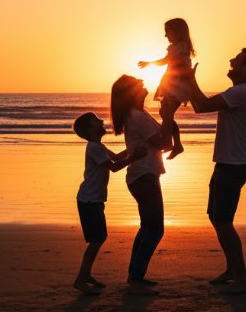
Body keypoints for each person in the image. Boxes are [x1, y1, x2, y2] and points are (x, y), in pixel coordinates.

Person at [187, 48, 246, 294]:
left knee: (223, 220)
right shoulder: (238, 92)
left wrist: (189, 79)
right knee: (216, 217)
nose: (231, 62)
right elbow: (201, 106)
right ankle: (232, 270)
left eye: (238, 61)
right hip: (226, 163)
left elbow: (201, 105)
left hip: (234, 166)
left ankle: (242, 279)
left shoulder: (240, 92)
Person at [110, 75, 173, 295]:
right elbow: (164, 143)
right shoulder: (137, 116)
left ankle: (135, 275)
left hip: (142, 176)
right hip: (144, 176)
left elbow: (160, 143)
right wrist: (168, 117)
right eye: (138, 83)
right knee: (155, 229)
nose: (143, 83)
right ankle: (136, 277)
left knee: (148, 227)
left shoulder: (137, 115)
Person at [72, 112, 146, 295]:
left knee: (98, 238)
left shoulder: (98, 146)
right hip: (89, 200)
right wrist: (135, 156)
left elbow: (118, 158)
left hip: (92, 199)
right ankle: (81, 278)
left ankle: (85, 274)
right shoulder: (94, 148)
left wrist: (133, 148)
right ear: (90, 130)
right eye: (96, 121)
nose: (102, 121)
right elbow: (114, 167)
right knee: (97, 240)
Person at [138, 17, 195, 160]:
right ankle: (175, 144)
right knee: (164, 112)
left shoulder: (182, 46)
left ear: (177, 31)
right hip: (171, 81)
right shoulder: (175, 47)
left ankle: (168, 141)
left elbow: (179, 63)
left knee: (167, 112)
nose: (165, 35)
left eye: (168, 32)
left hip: (177, 83)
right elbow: (166, 61)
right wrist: (149, 63)